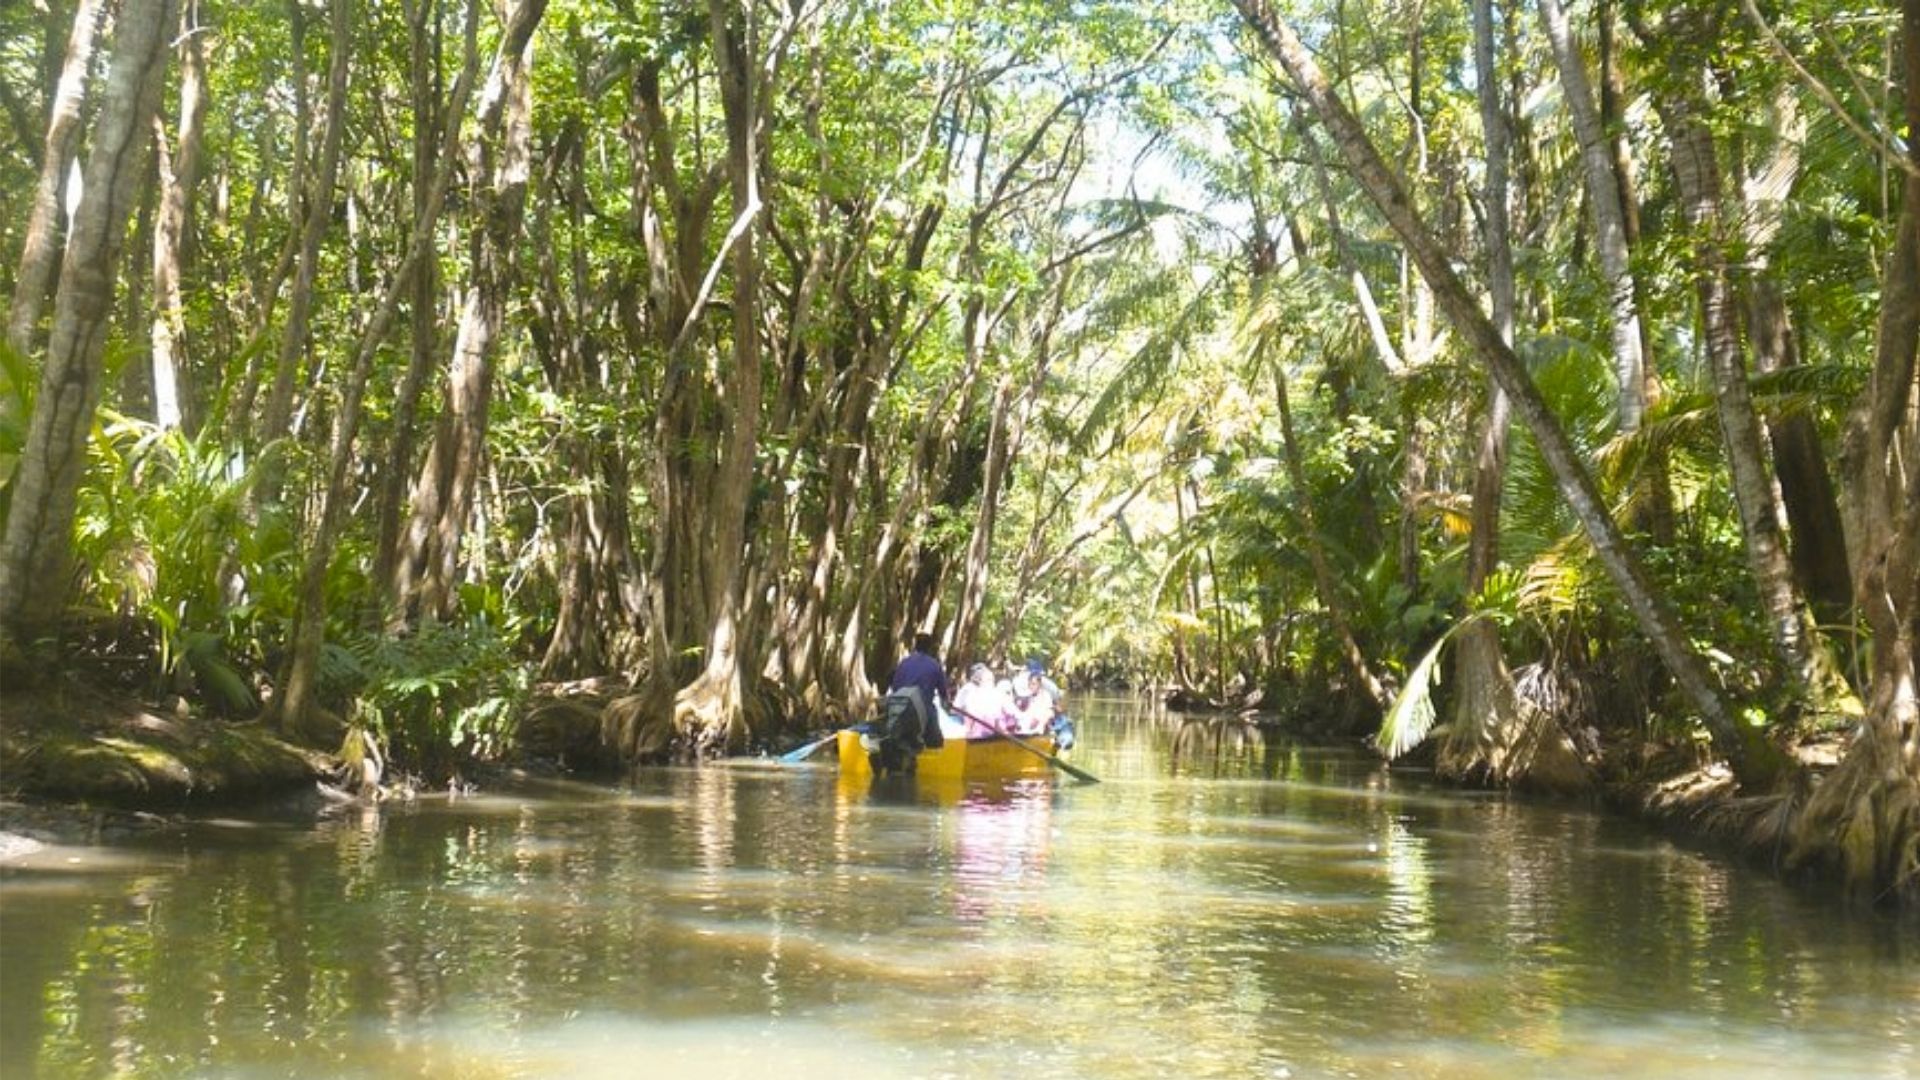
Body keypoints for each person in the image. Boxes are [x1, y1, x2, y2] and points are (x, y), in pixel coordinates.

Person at [952, 662, 1021, 738]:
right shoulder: (998, 695)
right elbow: (1014, 715)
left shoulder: (971, 696)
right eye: (990, 680)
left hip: (975, 738)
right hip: (992, 738)